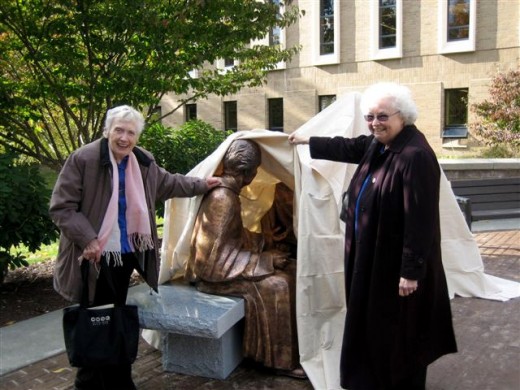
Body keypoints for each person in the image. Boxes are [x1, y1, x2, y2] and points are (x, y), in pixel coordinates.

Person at [288, 82, 457, 389]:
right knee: (377, 328)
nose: (375, 123)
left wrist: (411, 272)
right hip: (372, 259)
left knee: (401, 333)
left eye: (382, 116)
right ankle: (377, 379)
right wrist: (306, 140)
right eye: (370, 117)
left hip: (395, 269)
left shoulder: (413, 155)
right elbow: (348, 146)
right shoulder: (380, 145)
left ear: (402, 116)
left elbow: (422, 222)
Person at [49, 105, 221, 390]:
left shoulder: (142, 161)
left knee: (114, 316)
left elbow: (169, 183)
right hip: (93, 256)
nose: (124, 138)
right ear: (107, 131)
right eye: (118, 130)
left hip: (126, 253)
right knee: (96, 318)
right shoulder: (84, 159)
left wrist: (203, 184)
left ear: (137, 136)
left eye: (131, 132)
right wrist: (88, 239)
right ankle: (90, 382)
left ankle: (116, 380)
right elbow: (61, 207)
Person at [185, 139, 305, 379]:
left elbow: (232, 237)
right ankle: (276, 360)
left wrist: (264, 241)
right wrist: (265, 261)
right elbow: (211, 262)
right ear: (250, 173)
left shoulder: (228, 193)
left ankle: (293, 349)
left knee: (291, 270)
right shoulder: (223, 198)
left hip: (226, 268)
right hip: (213, 278)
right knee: (278, 285)